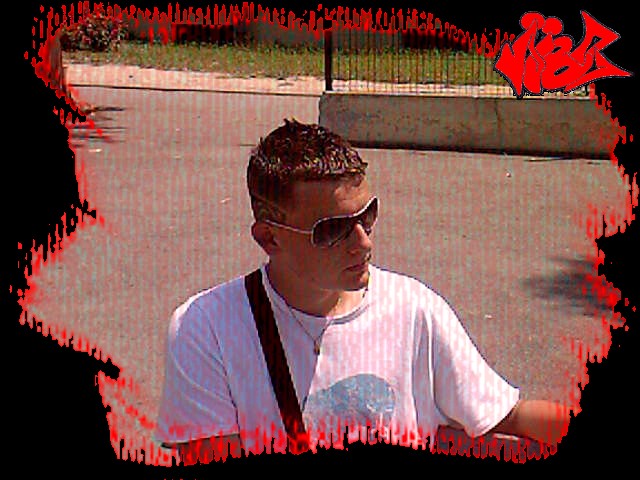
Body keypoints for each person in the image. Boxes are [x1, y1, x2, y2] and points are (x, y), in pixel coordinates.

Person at [154, 118, 570, 465]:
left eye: (367, 215)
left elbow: (508, 415)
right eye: (332, 229)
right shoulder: (207, 329)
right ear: (269, 238)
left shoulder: (413, 308)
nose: (363, 243)